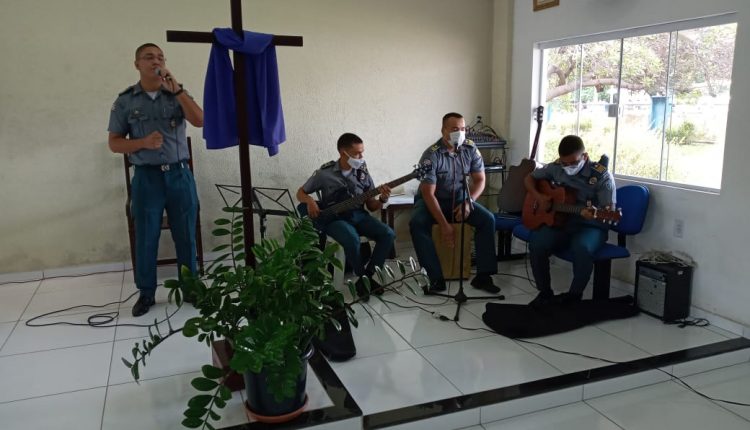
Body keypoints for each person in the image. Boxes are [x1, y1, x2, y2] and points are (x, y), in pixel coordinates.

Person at [108, 43, 204, 317]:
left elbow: (200, 120)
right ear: (137, 64)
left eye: (160, 57)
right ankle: (147, 293)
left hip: (179, 174)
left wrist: (178, 90)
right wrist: (142, 143)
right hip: (147, 178)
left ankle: (190, 288)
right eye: (149, 57)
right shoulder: (126, 101)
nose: (156, 61)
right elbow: (114, 143)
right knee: (146, 236)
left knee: (185, 234)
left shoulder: (177, 93)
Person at [296, 132, 395, 301]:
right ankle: (362, 276)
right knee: (351, 238)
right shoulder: (324, 173)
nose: (361, 157)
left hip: (359, 215)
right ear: (343, 153)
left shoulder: (363, 172)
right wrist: (310, 201)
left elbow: (371, 205)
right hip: (335, 219)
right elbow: (301, 192)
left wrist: (382, 199)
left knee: (388, 234)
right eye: (357, 153)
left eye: (362, 152)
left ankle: (367, 276)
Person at [409, 112, 500, 293]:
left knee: (487, 219)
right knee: (417, 223)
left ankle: (483, 276)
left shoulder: (470, 148)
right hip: (432, 200)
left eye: (463, 129)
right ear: (443, 131)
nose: (460, 133)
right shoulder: (431, 154)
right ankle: (435, 278)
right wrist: (444, 225)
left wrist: (468, 202)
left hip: (460, 198)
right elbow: (428, 194)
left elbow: (480, 180)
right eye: (454, 129)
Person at [524, 135, 616, 306]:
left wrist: (596, 214)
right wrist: (540, 197)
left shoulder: (602, 176)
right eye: (564, 163)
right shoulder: (557, 167)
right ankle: (545, 293)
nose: (568, 167)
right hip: (561, 222)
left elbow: (608, 211)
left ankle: (574, 296)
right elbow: (529, 178)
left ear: (585, 156)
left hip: (591, 225)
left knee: (582, 248)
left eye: (573, 163)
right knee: (537, 244)